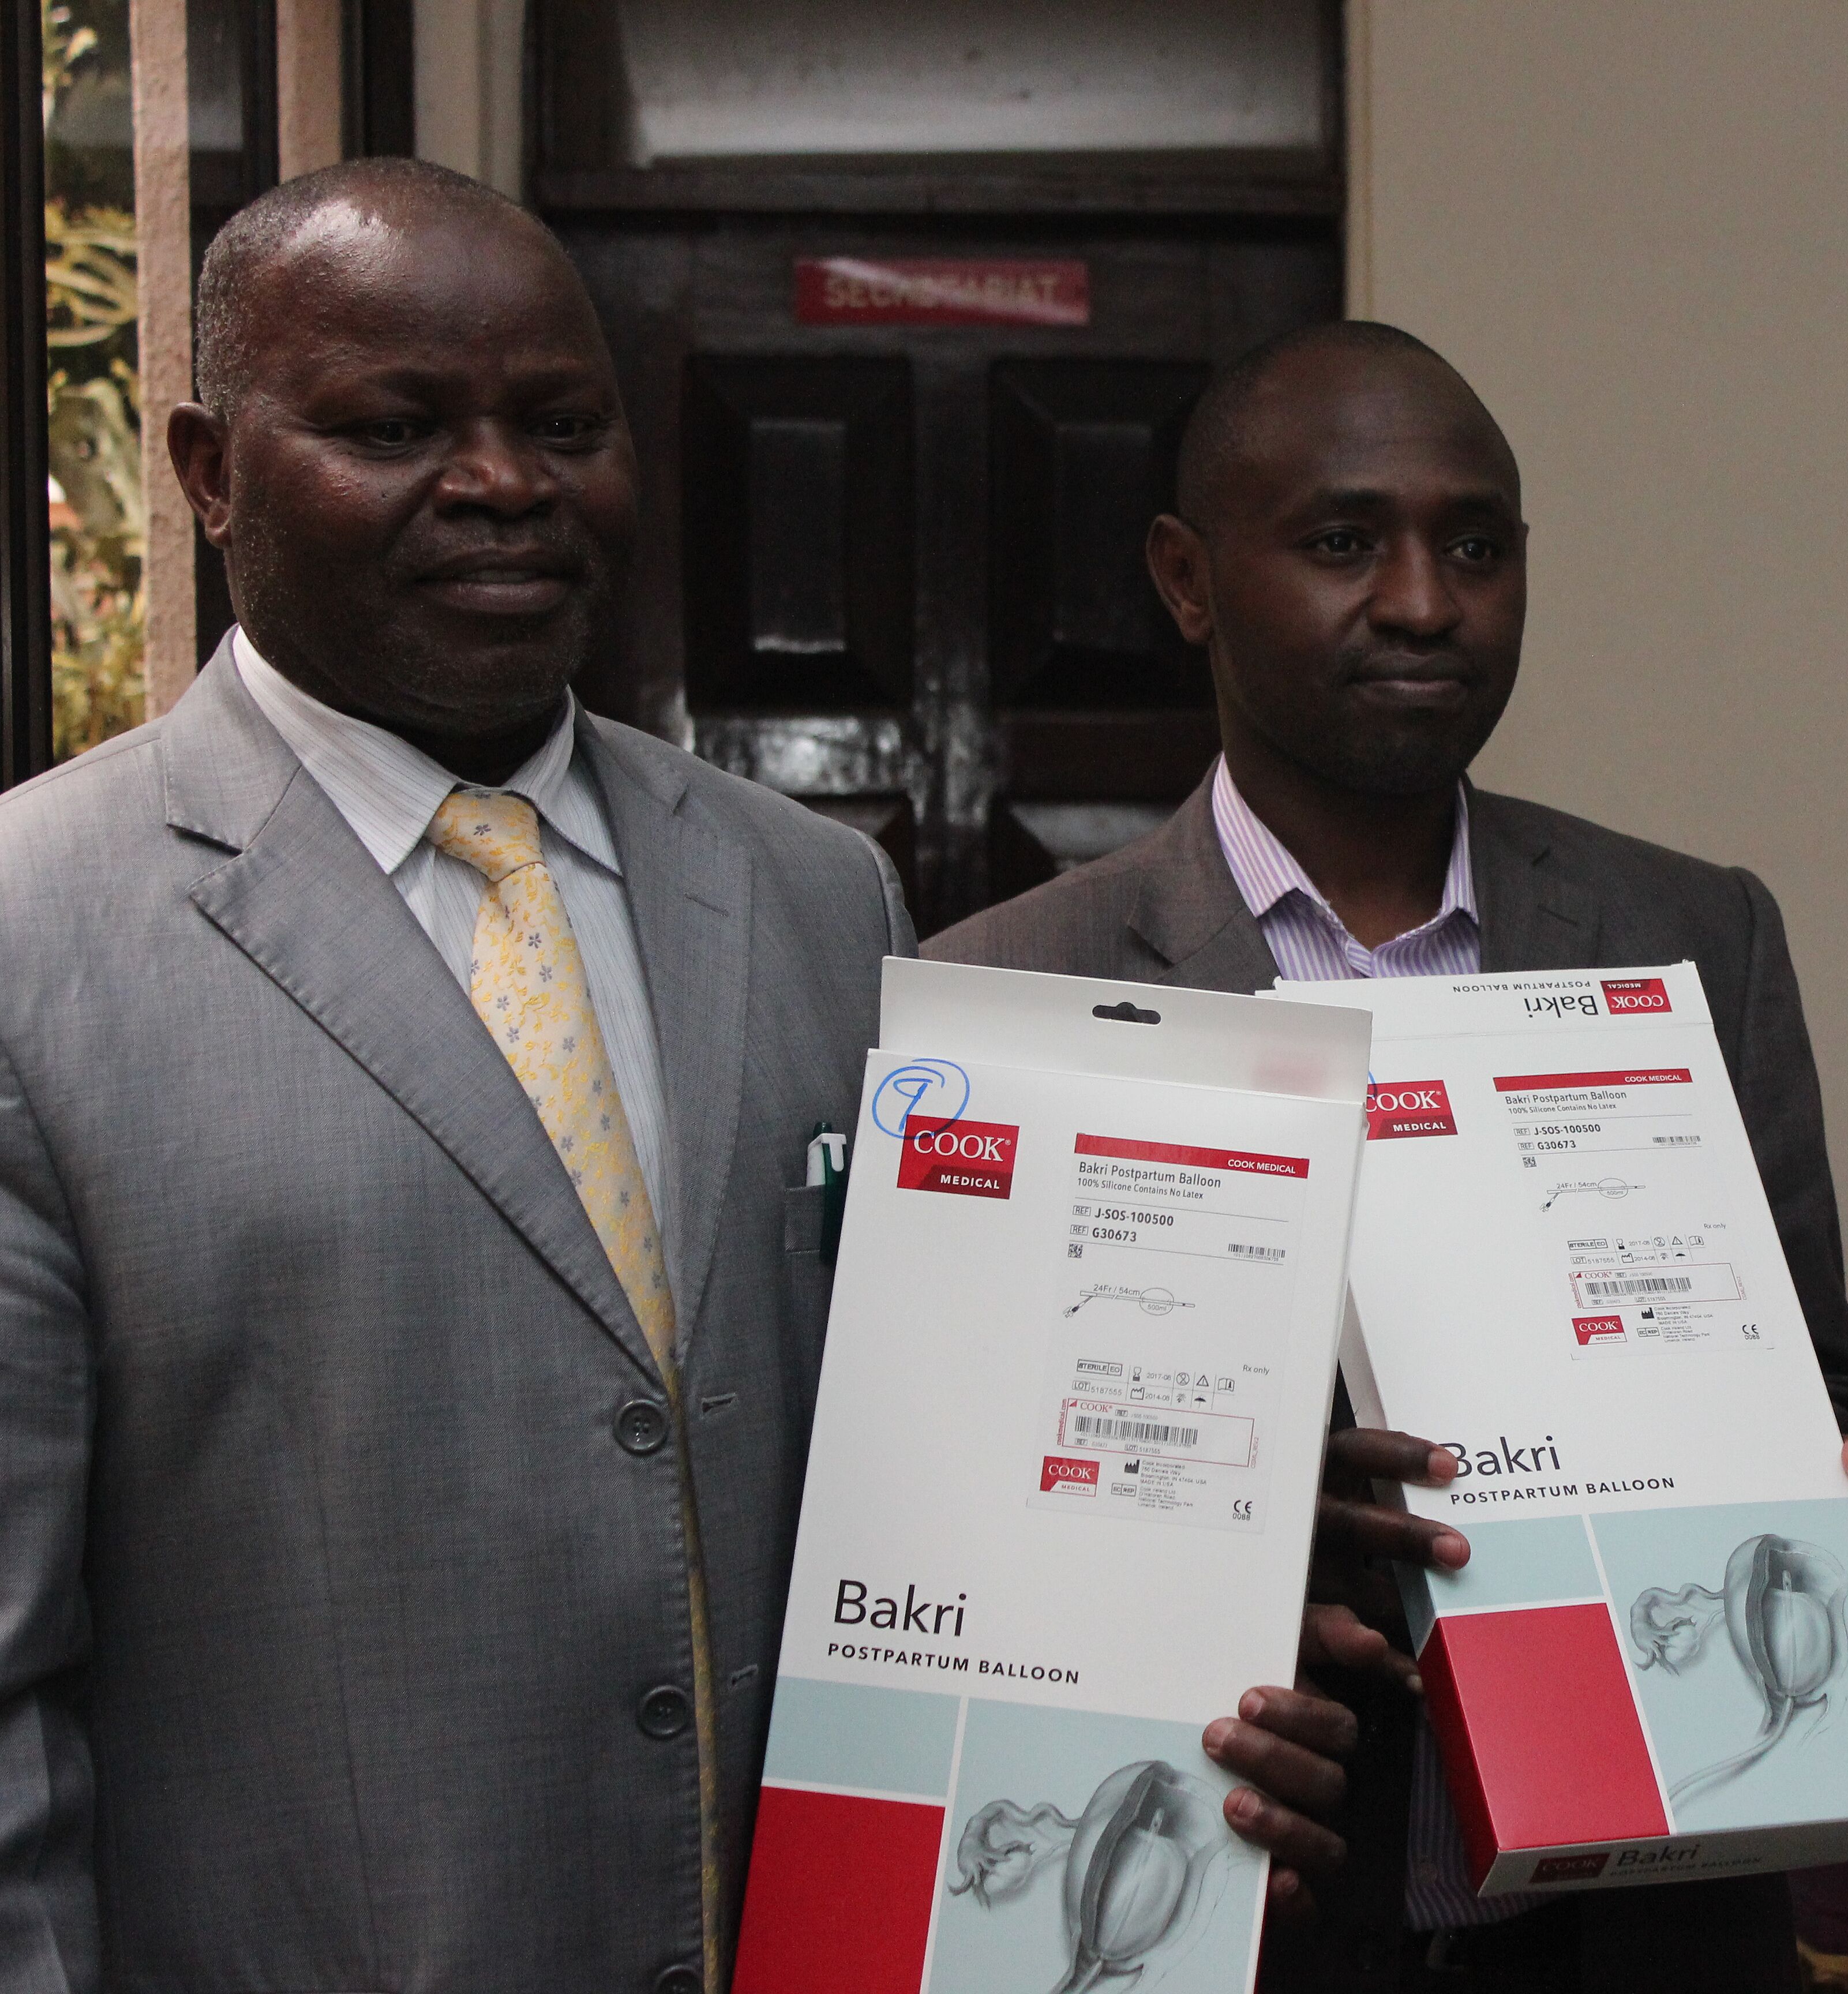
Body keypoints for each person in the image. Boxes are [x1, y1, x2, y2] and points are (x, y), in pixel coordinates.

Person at [0, 159, 1352, 1992]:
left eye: (565, 424)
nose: (503, 482)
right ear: (209, 468)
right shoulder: (36, 936)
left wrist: (1172, 1686)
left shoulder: (815, 895)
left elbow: (945, 1468)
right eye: (396, 426)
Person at [925, 319, 1848, 1993]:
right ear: (1186, 579)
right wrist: (1227, 1525)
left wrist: (1832, 1490)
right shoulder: (1014, 994)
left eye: (1476, 547)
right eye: (1340, 543)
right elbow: (948, 1527)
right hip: (1242, 1917)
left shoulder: (1691, 936)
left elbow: (1824, 1386)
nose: (1425, 603)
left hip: (1646, 1932)